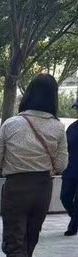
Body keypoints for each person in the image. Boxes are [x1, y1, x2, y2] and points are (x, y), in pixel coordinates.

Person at [0, 72, 68, 257]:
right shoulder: (58, 128)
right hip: (43, 187)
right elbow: (62, 164)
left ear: (29, 94)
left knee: (13, 241)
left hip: (16, 187)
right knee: (29, 238)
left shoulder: (11, 124)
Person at [61, 99, 78, 237]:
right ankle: (75, 219)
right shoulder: (72, 128)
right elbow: (64, 148)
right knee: (65, 197)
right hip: (70, 169)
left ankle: (73, 226)